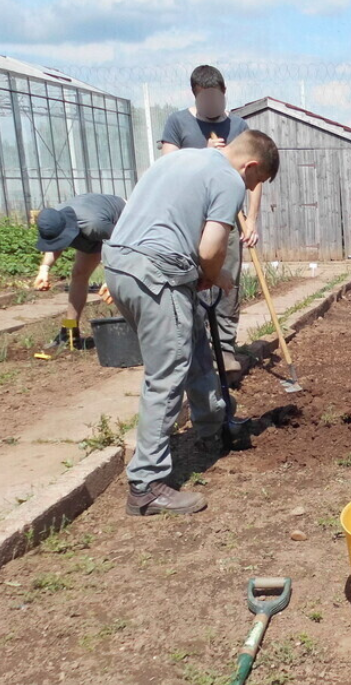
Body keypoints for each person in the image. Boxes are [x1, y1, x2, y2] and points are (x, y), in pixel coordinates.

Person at [104, 130, 279, 516]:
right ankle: (146, 485)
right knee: (167, 374)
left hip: (120, 265)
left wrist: (195, 272)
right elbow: (210, 248)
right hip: (156, 274)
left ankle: (213, 425)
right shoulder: (229, 178)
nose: (250, 189)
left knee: (194, 341)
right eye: (256, 182)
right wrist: (217, 276)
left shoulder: (178, 158)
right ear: (250, 166)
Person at [160, 64, 263, 378]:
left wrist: (252, 220)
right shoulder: (178, 122)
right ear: (196, 95)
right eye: (207, 99)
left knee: (227, 279)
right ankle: (197, 347)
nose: (214, 106)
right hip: (190, 219)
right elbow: (168, 168)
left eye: (218, 98)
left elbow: (255, 177)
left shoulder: (239, 126)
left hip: (227, 217)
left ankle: (227, 347)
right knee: (193, 279)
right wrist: (205, 154)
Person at [32, 194, 125, 348]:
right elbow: (55, 244)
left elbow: (123, 245)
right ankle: (70, 331)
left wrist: (112, 278)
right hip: (92, 229)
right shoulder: (55, 218)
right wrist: (44, 269)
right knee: (79, 274)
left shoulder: (94, 225)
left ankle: (137, 330)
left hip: (121, 225)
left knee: (129, 282)